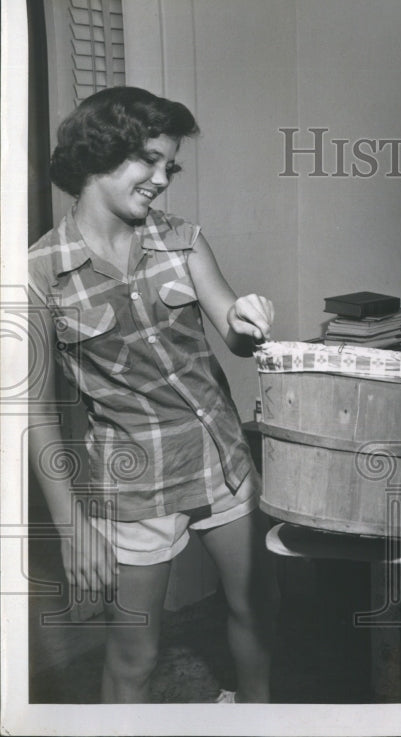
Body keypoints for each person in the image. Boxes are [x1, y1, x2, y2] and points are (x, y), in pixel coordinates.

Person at [27, 86, 277, 703]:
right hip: (135, 484)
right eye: (150, 160)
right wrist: (71, 527)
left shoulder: (184, 240)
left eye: (170, 164)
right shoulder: (37, 273)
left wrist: (248, 319)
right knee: (133, 655)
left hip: (222, 460)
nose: (163, 178)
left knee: (257, 614)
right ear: (96, 157)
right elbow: (32, 412)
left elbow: (233, 331)